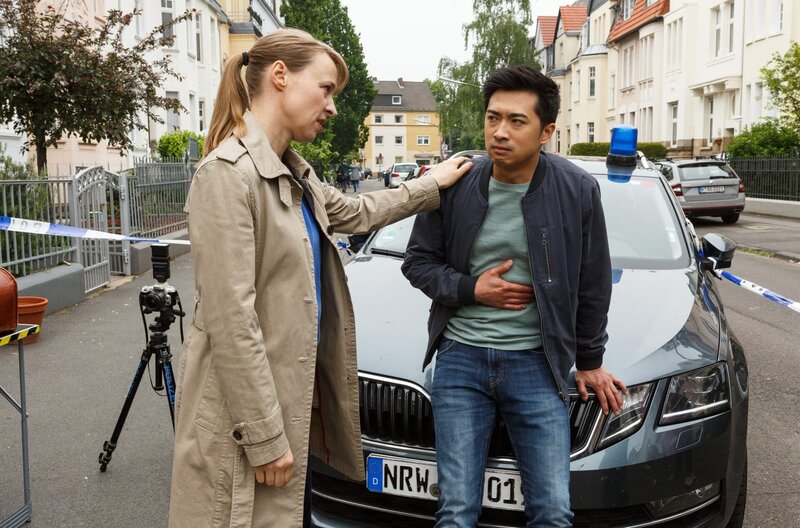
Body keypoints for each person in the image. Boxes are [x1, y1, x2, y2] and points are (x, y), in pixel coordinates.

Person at [168, 28, 472, 528]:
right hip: (243, 427)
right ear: (281, 77)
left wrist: (432, 184)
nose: (332, 107)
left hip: (287, 412)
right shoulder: (228, 175)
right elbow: (231, 323)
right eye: (326, 89)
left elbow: (358, 209)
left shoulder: (295, 174)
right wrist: (266, 437)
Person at [401, 65, 628, 527]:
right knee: (456, 510)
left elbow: (592, 281)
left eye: (516, 121)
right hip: (461, 359)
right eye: (492, 117)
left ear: (547, 131)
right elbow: (418, 262)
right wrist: (471, 288)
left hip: (537, 364)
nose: (499, 132)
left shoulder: (577, 190)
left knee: (552, 512)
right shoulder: (455, 183)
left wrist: (589, 358)